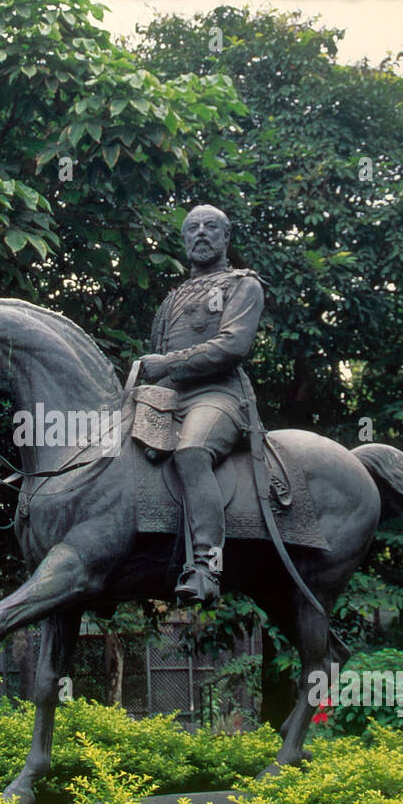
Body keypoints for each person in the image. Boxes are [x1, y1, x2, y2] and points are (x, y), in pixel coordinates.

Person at [137, 205, 265, 604]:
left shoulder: (243, 285)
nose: (202, 233)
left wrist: (168, 364)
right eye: (193, 228)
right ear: (185, 239)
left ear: (227, 238)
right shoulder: (172, 297)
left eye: (212, 227)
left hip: (218, 395)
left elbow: (233, 345)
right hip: (167, 398)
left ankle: (207, 565)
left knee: (191, 451)